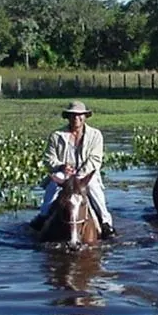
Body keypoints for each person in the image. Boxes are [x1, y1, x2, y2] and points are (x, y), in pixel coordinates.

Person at [31, 100, 115, 238]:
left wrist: (81, 174)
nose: (76, 118)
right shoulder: (56, 136)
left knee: (94, 188)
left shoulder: (95, 135)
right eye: (73, 115)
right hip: (64, 173)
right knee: (53, 187)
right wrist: (61, 166)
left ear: (85, 116)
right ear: (68, 117)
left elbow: (95, 159)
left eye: (80, 115)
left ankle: (105, 222)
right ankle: (43, 215)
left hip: (86, 174)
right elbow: (48, 159)